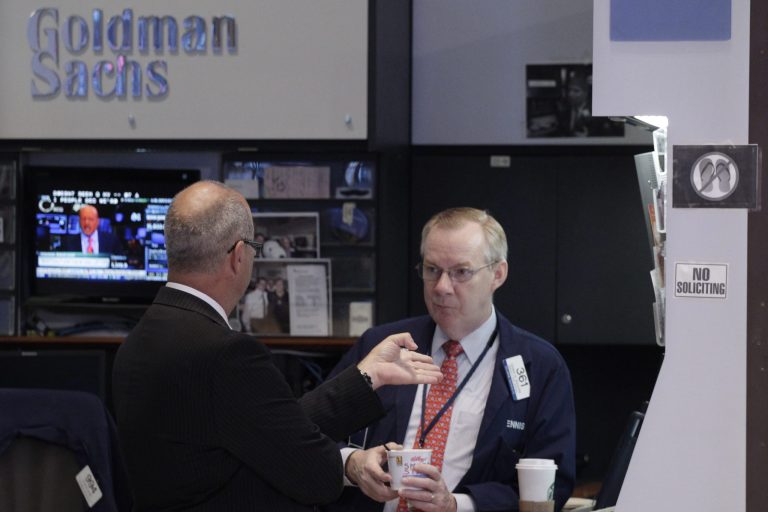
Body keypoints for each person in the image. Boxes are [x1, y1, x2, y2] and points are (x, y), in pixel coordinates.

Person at [112, 181, 443, 511]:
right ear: (238, 255)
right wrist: (351, 463)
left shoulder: (138, 341)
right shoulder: (225, 354)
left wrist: (367, 376)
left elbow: (276, 429)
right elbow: (311, 473)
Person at [325, 207, 576, 512]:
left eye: (461, 272)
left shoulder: (539, 366)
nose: (442, 287)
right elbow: (307, 435)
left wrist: (456, 505)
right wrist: (352, 463)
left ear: (498, 274)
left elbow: (553, 484)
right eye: (432, 270)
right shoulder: (382, 346)